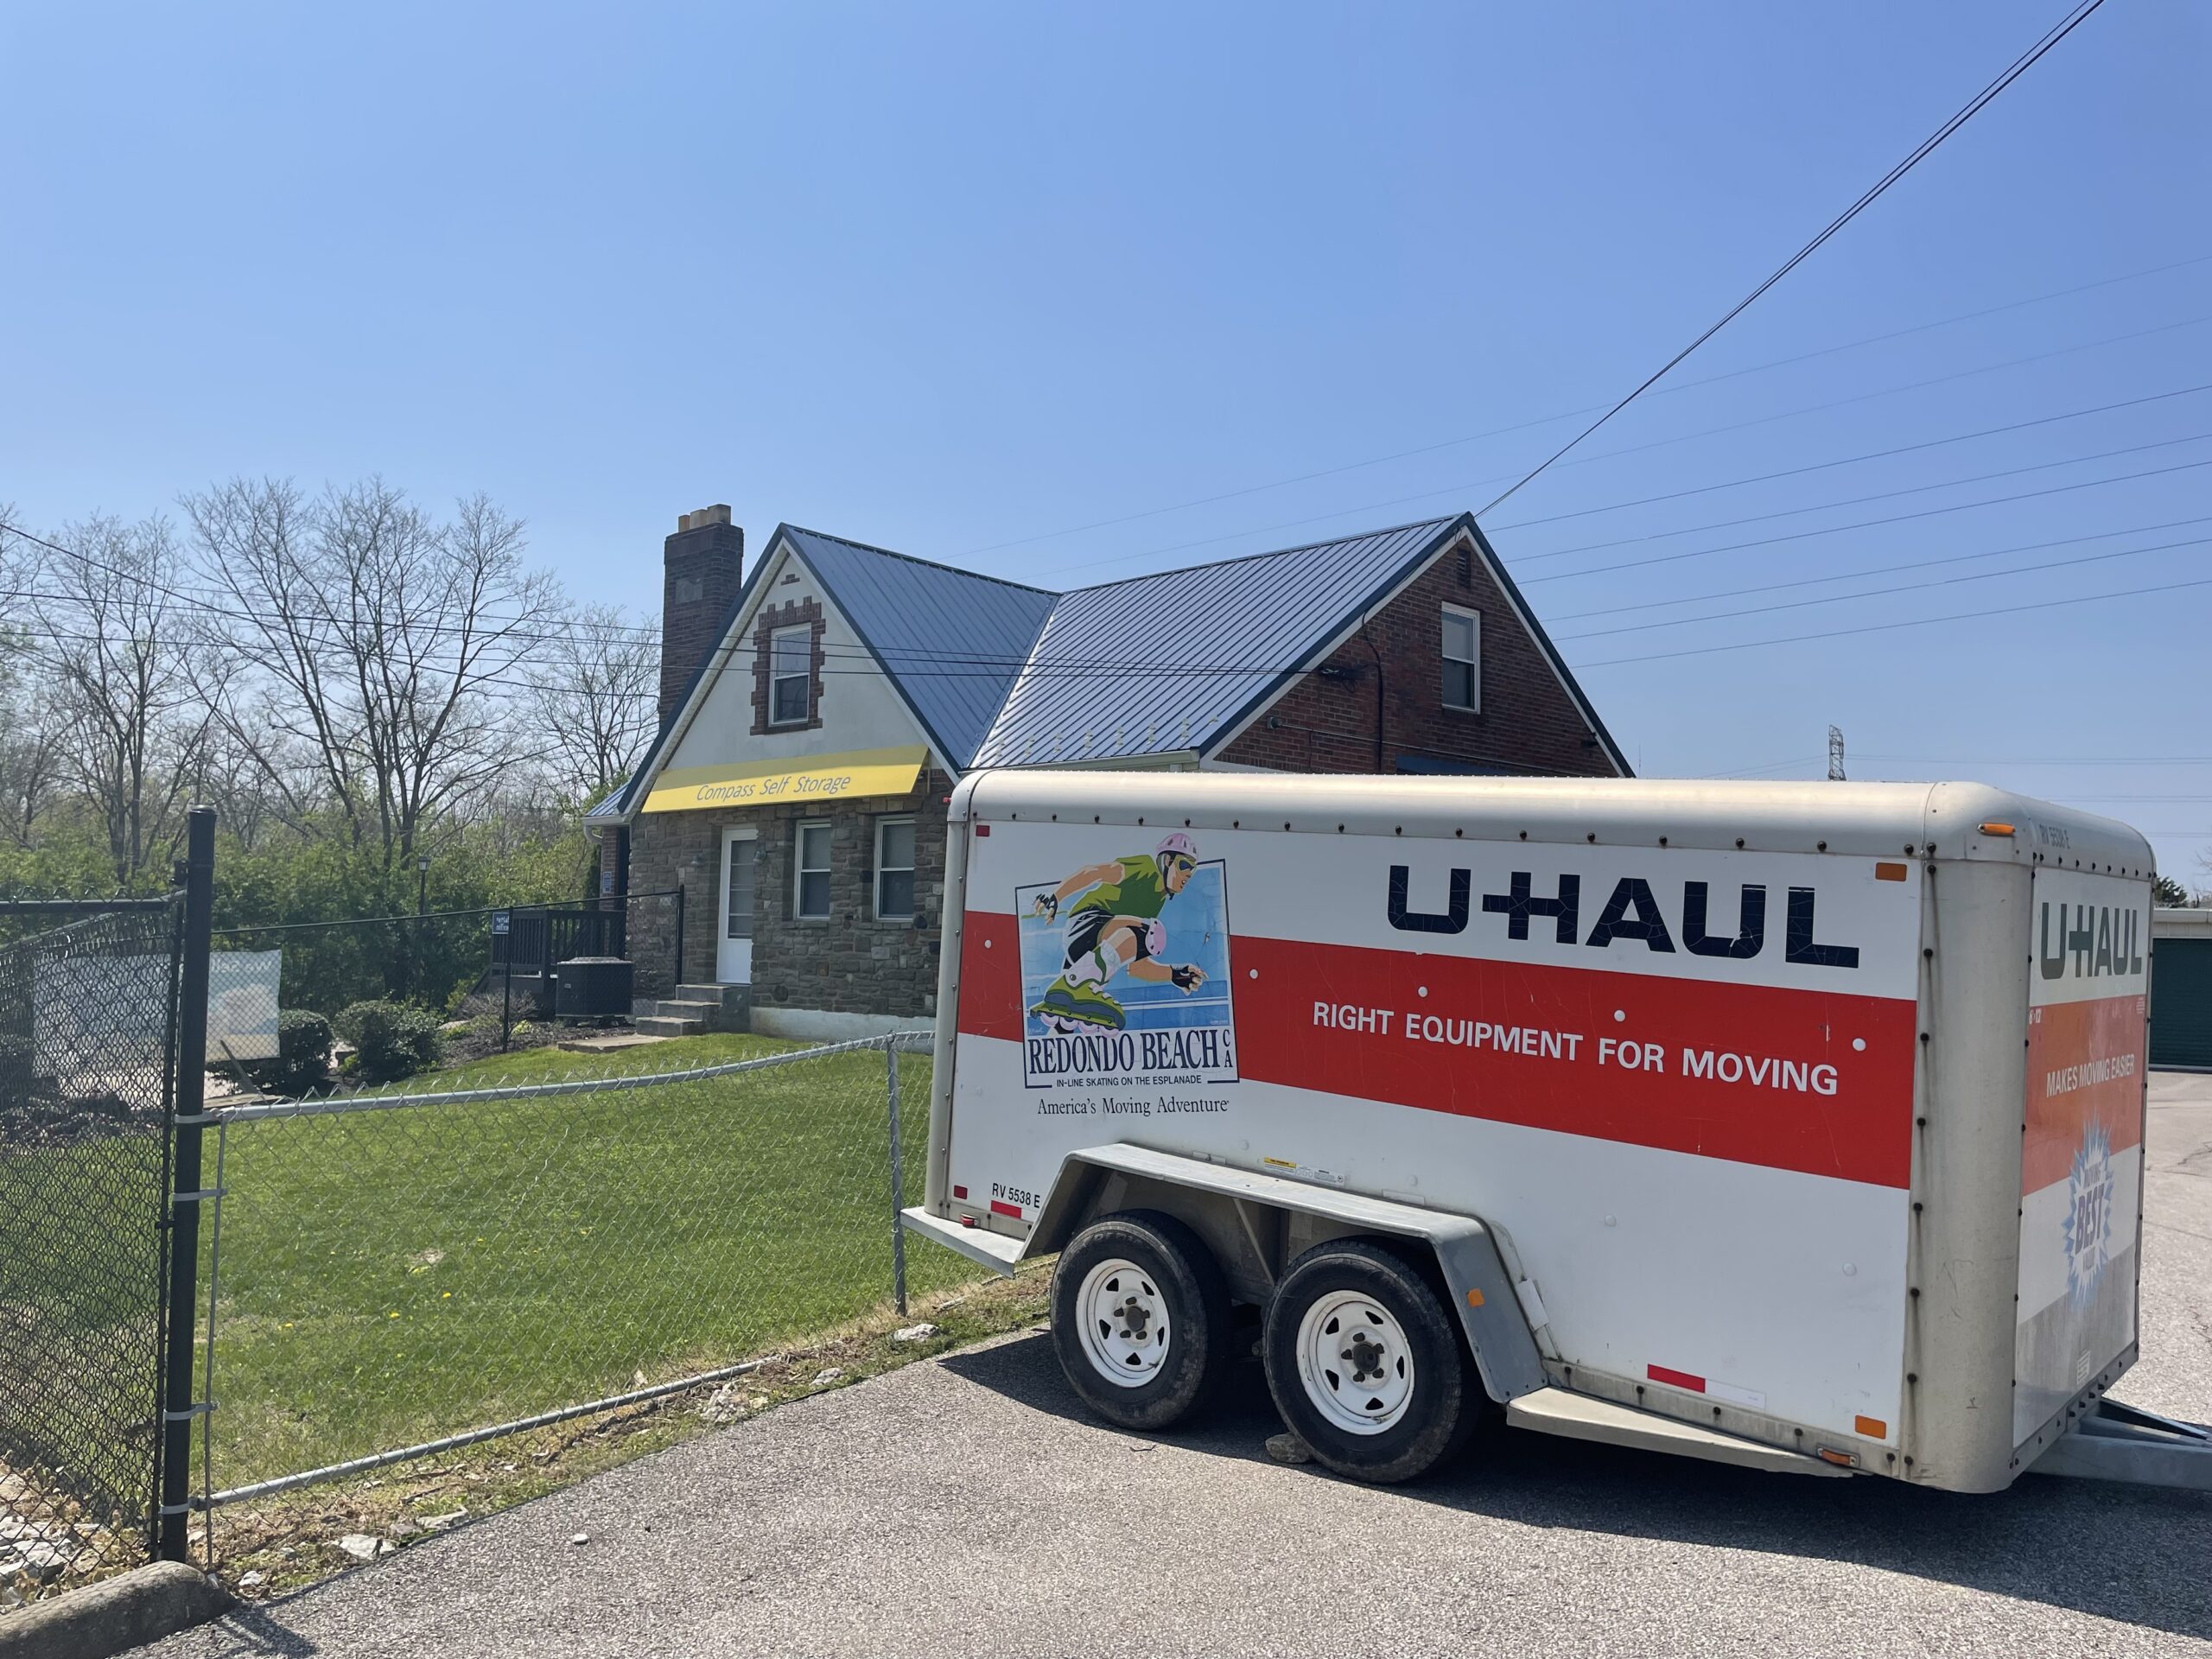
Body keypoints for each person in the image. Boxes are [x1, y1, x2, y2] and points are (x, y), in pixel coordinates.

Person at [1028, 834, 1208, 1032]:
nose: (1188, 874)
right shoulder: (1145, 868)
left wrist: (1173, 974)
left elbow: (1137, 967)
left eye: (1193, 869)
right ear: (1167, 861)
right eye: (1184, 865)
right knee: (1151, 932)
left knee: (1065, 1021)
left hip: (1088, 953)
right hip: (1085, 924)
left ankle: (1070, 1000)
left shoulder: (1155, 903)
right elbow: (1094, 873)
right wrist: (1056, 895)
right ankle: (1076, 985)